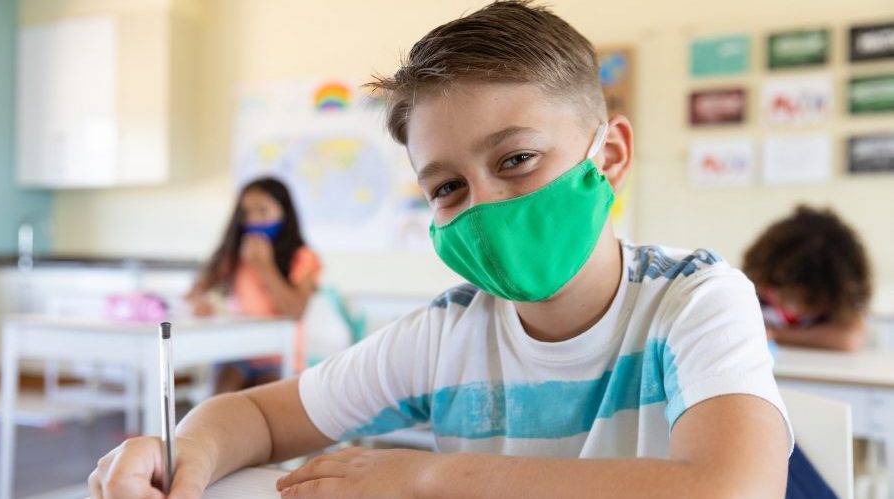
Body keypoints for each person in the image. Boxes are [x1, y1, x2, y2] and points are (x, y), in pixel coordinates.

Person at [89, 3, 792, 498]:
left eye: (516, 158)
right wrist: (177, 452)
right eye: (448, 186)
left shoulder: (696, 299)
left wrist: (427, 476)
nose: (482, 205)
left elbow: (730, 487)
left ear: (607, 156)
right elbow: (261, 415)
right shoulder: (447, 333)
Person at [186, 176, 321, 393]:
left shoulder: (303, 257)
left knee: (261, 407)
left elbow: (296, 311)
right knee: (218, 404)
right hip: (237, 351)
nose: (254, 220)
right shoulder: (233, 255)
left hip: (279, 355)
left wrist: (265, 267)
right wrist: (201, 305)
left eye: (263, 210)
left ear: (284, 212)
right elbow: (192, 294)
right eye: (246, 213)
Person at [743, 205, 872, 352]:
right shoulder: (755, 290)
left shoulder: (837, 309)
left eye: (809, 300)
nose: (767, 291)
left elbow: (850, 339)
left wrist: (777, 335)